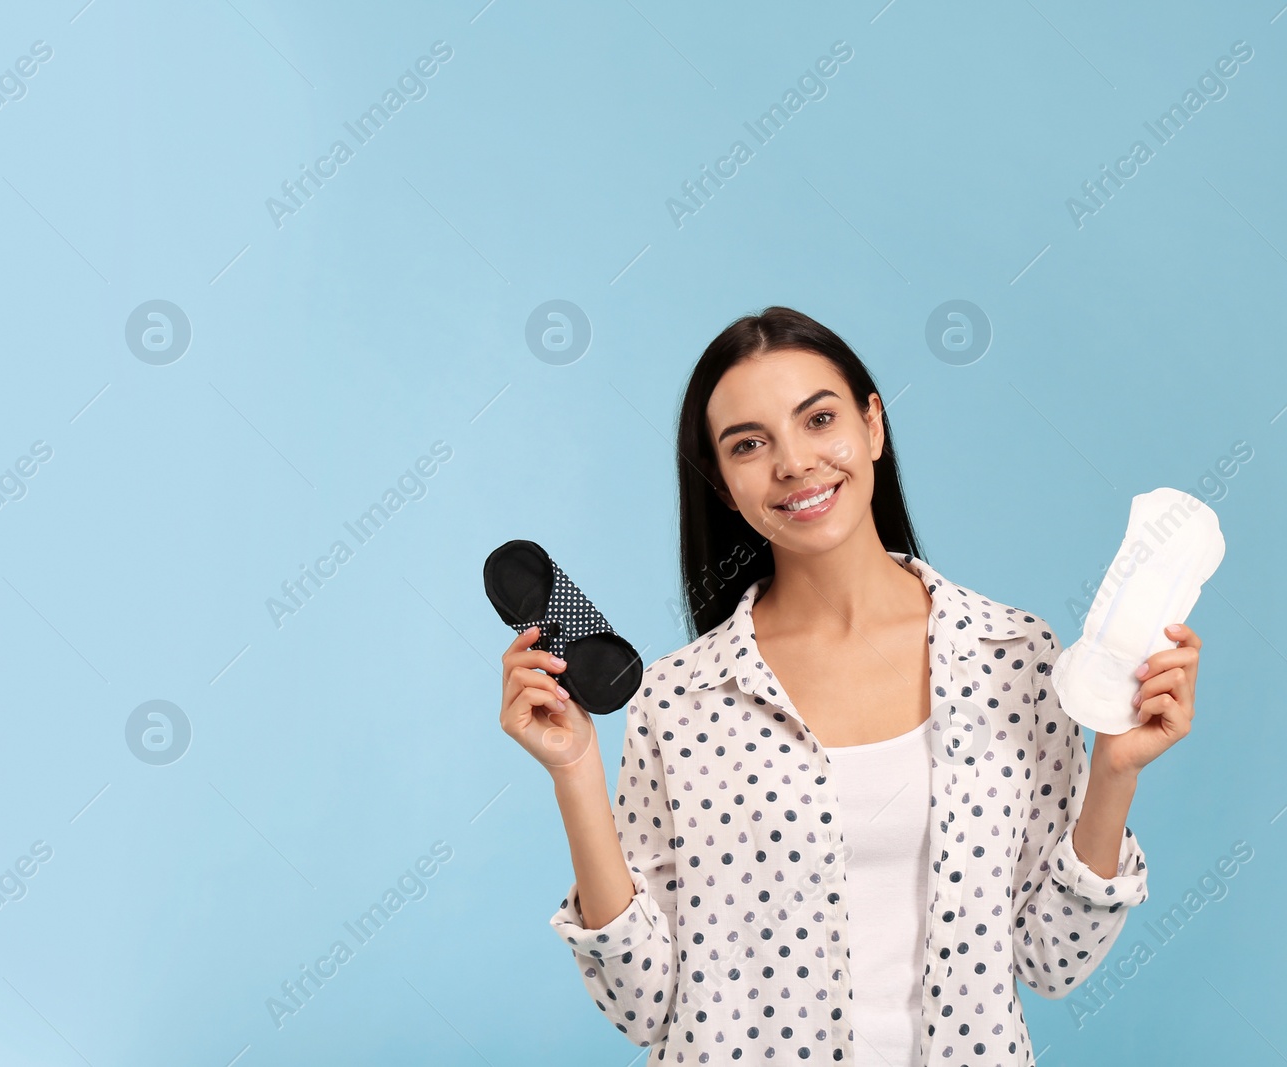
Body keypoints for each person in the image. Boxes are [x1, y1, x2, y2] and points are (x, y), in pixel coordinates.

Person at [502, 306, 1202, 1066]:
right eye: (748, 444)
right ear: (725, 486)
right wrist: (574, 770)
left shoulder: (1014, 657)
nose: (795, 462)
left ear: (872, 425)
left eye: (819, 418)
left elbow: (1051, 961)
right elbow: (642, 1005)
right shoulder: (682, 700)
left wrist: (1114, 770)